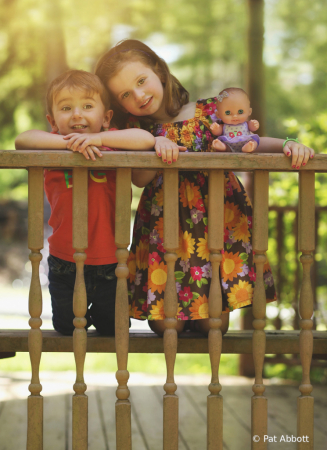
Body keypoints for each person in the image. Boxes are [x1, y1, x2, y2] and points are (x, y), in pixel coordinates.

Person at [93, 39, 315, 337]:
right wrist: (152, 145)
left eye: (142, 81)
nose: (140, 95)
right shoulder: (136, 132)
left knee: (212, 324)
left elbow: (253, 144)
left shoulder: (212, 111)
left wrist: (289, 144)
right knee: (165, 324)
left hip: (215, 224)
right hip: (165, 225)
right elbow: (140, 179)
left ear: (159, 71)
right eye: (126, 94)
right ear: (119, 104)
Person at [15, 69, 155, 335]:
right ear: (52, 120)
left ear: (106, 117)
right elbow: (23, 140)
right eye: (66, 108)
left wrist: (98, 139)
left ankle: (99, 315)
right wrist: (68, 144)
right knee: (66, 327)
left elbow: (146, 140)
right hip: (64, 260)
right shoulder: (52, 148)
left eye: (88, 106)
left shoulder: (113, 145)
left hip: (112, 261)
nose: (77, 114)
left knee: (112, 327)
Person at [210, 87, 260, 153]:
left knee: (254, 141)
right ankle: (223, 147)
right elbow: (218, 132)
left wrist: (254, 125)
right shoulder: (223, 126)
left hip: (246, 142)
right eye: (228, 113)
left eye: (240, 112)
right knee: (224, 145)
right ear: (218, 114)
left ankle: (249, 147)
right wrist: (215, 129)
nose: (235, 116)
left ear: (249, 111)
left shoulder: (246, 124)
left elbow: (252, 128)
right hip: (229, 144)